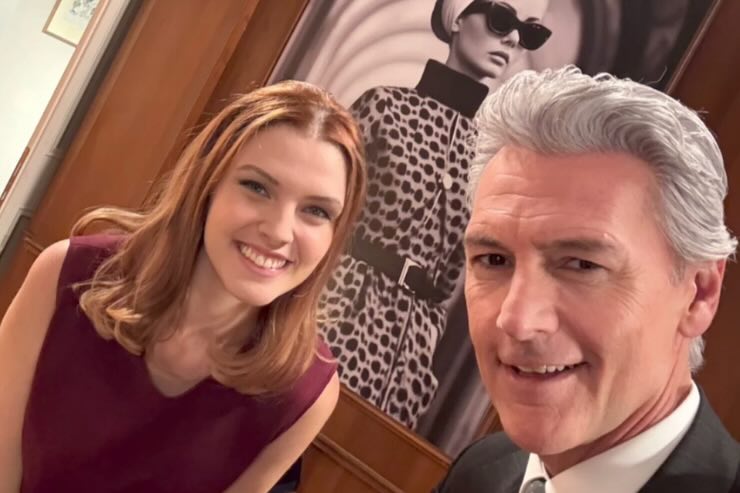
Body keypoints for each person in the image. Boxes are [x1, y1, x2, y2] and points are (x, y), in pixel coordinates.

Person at [0, 80, 367, 492]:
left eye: (316, 211)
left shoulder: (306, 391)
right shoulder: (65, 274)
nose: (280, 231)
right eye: (257, 187)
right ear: (207, 184)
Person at [435, 65, 740, 492]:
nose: (517, 321)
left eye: (581, 265)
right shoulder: (481, 471)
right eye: (494, 260)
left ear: (698, 294)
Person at [320, 0, 552, 429]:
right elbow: (320, 216)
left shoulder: (493, 162)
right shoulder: (384, 108)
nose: (513, 39)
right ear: (458, 18)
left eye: (529, 32)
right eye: (501, 19)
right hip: (338, 311)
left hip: (412, 349)